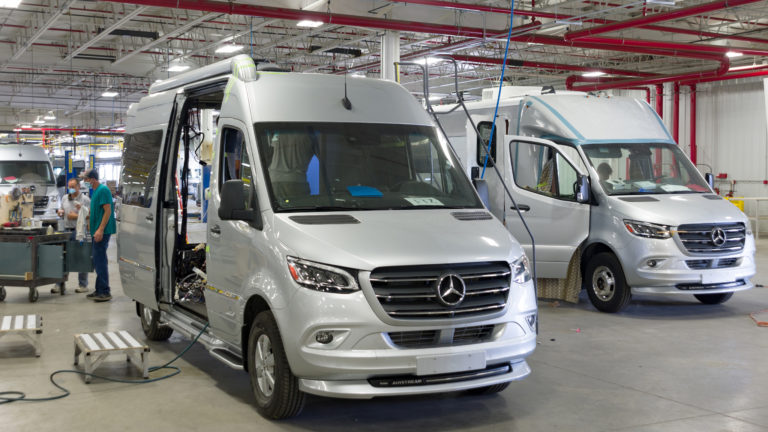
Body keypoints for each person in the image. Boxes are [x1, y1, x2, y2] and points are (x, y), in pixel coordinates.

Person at [82, 169, 116, 302]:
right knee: (98, 260)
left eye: (86, 179)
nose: (85, 182)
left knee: (100, 261)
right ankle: (99, 289)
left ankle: (105, 291)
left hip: (103, 231)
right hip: (96, 230)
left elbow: (108, 211)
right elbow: (96, 210)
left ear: (92, 179)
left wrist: (100, 229)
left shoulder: (103, 190)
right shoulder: (96, 191)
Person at [51, 178, 90, 294]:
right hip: (66, 231)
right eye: (69, 186)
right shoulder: (64, 198)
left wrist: (76, 216)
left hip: (79, 231)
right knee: (62, 257)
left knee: (81, 257)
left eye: (73, 186)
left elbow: (90, 215)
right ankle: (59, 284)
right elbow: (62, 210)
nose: (71, 189)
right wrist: (60, 212)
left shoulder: (85, 200)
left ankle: (83, 285)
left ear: (78, 186)